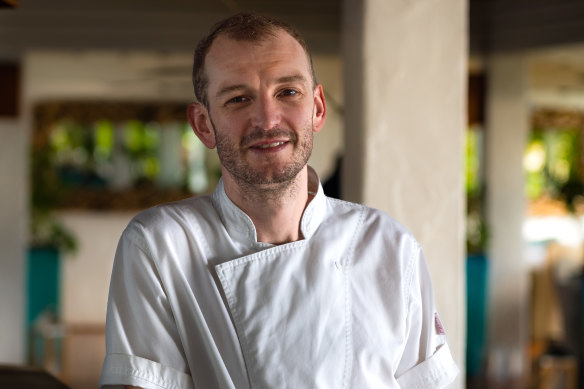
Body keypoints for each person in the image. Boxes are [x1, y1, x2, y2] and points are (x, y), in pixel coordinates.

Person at [99, 13, 459, 389]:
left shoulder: (390, 246)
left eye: (288, 92)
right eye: (238, 99)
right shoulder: (161, 245)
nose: (267, 119)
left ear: (317, 107)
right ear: (204, 124)